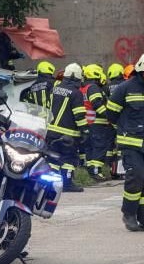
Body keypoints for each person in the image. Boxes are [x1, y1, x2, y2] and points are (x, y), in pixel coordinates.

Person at [101, 51, 144, 233]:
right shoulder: (124, 88)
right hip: (131, 143)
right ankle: (129, 214)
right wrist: (126, 128)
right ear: (141, 70)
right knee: (137, 177)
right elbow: (111, 114)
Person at [47, 63, 88, 193]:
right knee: (69, 159)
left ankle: (50, 184)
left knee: (53, 158)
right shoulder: (76, 93)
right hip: (68, 134)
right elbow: (79, 114)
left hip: (51, 131)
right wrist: (85, 130)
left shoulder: (55, 88)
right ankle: (67, 184)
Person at [81, 64, 110, 179]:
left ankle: (91, 170)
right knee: (99, 147)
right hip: (97, 124)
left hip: (88, 123)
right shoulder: (93, 88)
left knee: (90, 148)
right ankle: (96, 171)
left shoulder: (84, 88)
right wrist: (110, 116)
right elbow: (97, 104)